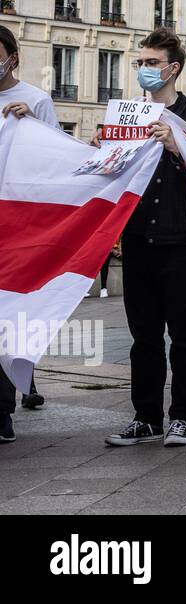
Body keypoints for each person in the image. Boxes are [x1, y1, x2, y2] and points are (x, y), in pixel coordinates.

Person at [106, 29, 186, 447]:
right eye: (141, 63)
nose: (144, 70)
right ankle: (146, 415)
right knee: (144, 336)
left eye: (152, 63)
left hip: (182, 239)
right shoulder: (129, 115)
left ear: (173, 68)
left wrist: (178, 148)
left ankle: (182, 418)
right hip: (138, 238)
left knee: (185, 334)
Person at [0, 24, 58, 441]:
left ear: (12, 57)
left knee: (6, 323)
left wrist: (34, 124)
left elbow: (58, 160)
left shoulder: (37, 100)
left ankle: (3, 411)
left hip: (16, 230)